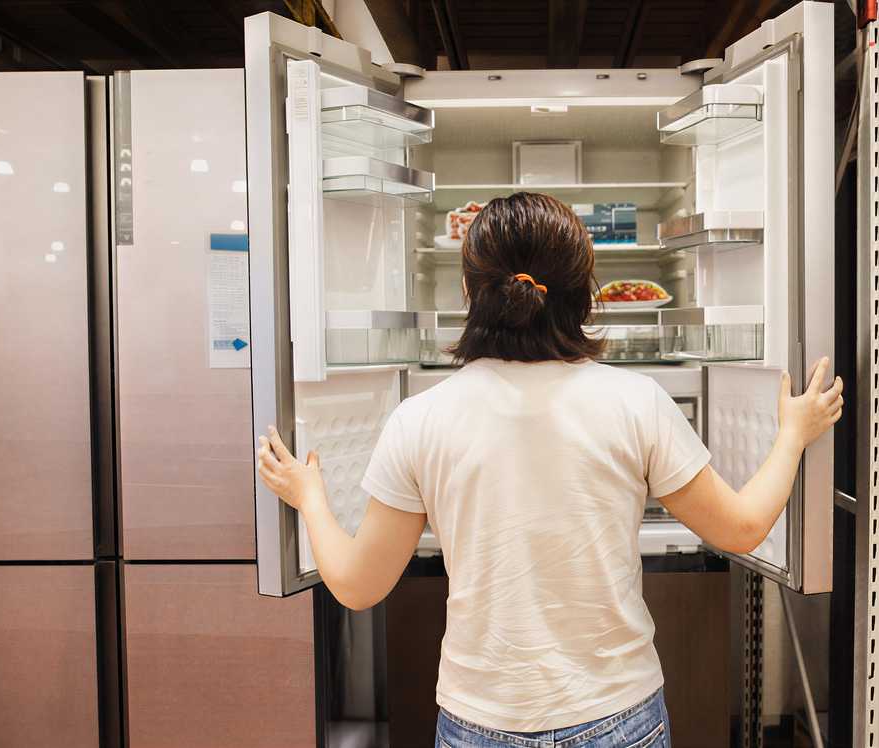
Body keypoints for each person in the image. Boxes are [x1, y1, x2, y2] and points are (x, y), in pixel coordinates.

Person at [257, 192, 842, 748]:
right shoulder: (636, 401)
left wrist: (311, 497)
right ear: (584, 293)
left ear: (469, 291)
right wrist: (791, 435)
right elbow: (741, 530)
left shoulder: (421, 419)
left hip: (480, 719)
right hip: (616, 715)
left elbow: (359, 586)